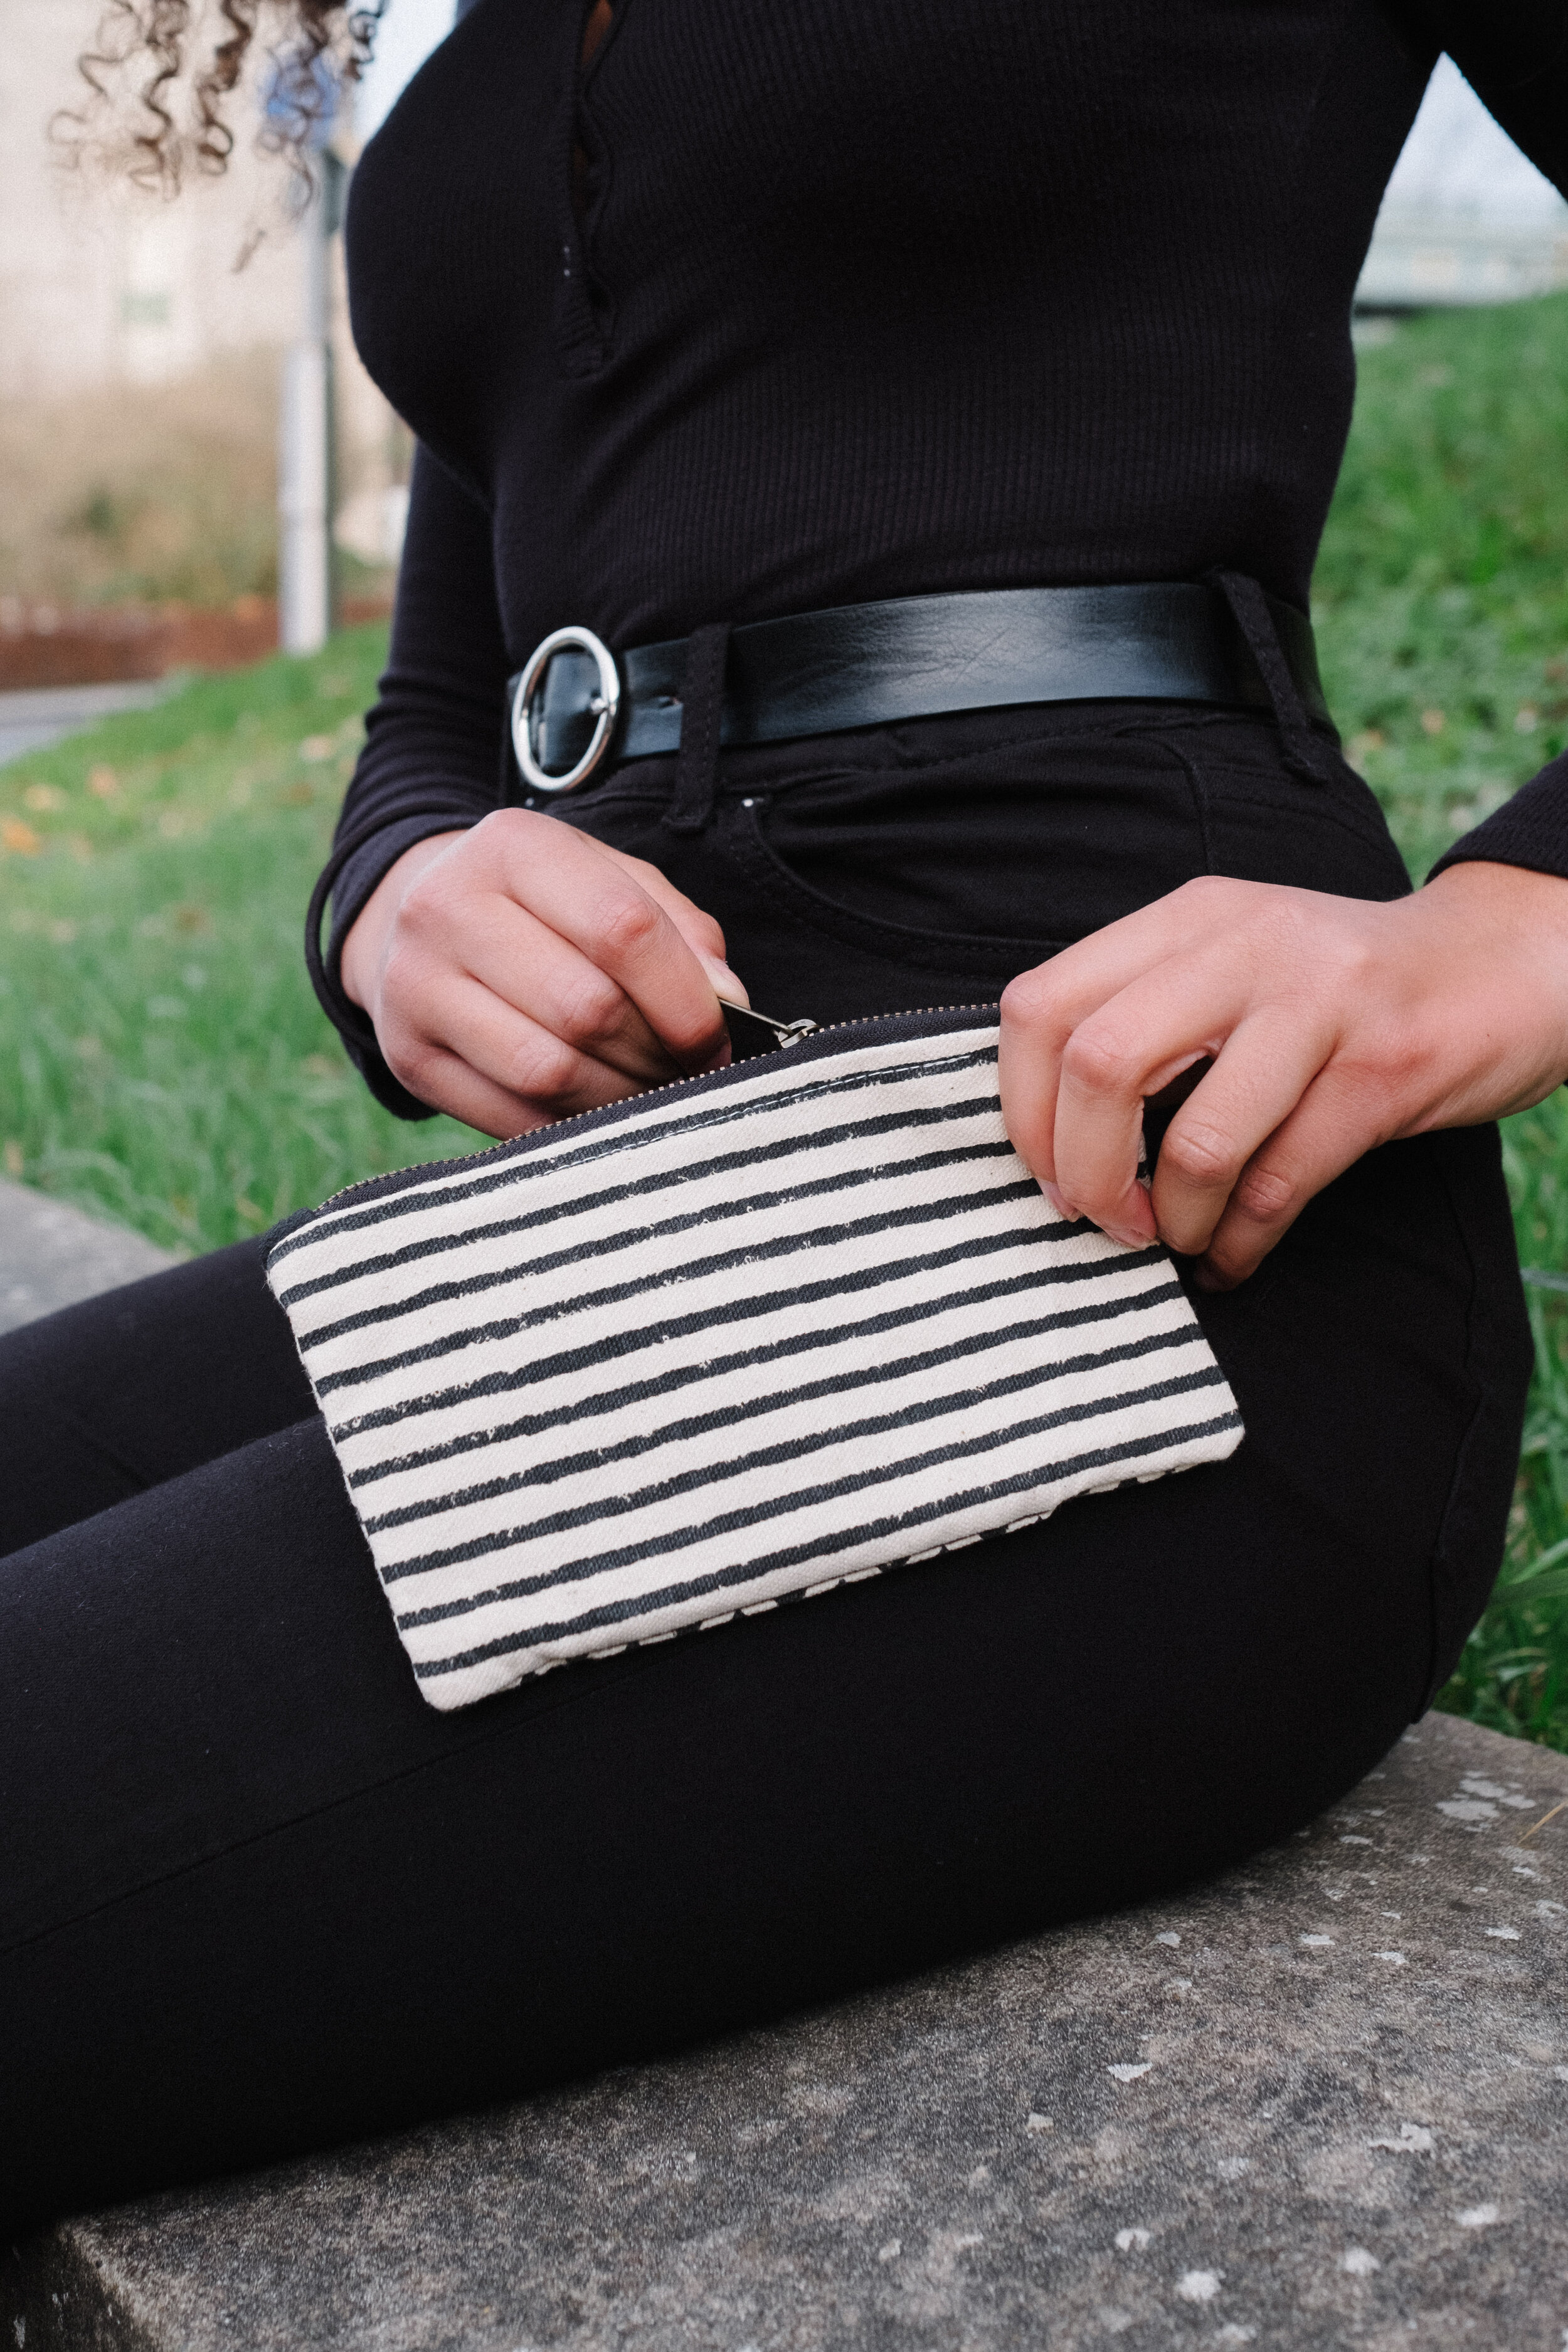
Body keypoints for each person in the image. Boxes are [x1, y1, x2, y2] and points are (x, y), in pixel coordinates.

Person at [4, 0, 1565, 2234]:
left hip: (1119, 1239)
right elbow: (445, 695)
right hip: (628, 1218)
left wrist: (1514, 928)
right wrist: (399, 895)